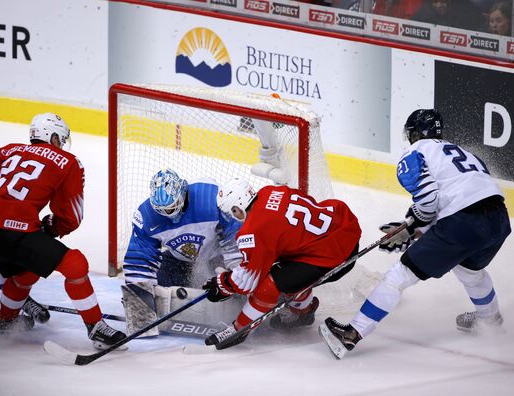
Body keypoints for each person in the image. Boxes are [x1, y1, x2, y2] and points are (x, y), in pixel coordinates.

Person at [319, 109, 511, 359]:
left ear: (414, 133)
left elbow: (430, 201)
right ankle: (490, 322)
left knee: (399, 275)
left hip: (463, 222)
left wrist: (414, 226)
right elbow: (456, 202)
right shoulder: (464, 153)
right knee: (470, 270)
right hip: (498, 220)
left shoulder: (414, 152)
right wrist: (414, 228)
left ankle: (351, 334)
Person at [0, 113, 126, 349]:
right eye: (60, 139)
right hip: (15, 231)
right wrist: (51, 227)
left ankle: (5, 320)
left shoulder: (7, 150)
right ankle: (96, 329)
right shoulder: (68, 161)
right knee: (75, 264)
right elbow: (71, 215)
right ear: (53, 136)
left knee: (29, 269)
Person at [201, 179, 362, 348]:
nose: (234, 216)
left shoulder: (253, 231)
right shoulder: (270, 191)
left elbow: (248, 281)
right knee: (286, 270)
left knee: (269, 285)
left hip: (335, 257)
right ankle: (304, 312)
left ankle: (239, 329)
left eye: (233, 211)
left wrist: (223, 284)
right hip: (343, 229)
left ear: (238, 207)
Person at [121, 168, 243, 335]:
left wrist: (235, 271)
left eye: (171, 208)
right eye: (161, 210)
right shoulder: (146, 216)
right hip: (178, 260)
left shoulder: (209, 196)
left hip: (218, 257)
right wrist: (139, 305)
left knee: (238, 286)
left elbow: (233, 233)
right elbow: (140, 259)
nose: (167, 215)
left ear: (182, 192)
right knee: (153, 290)